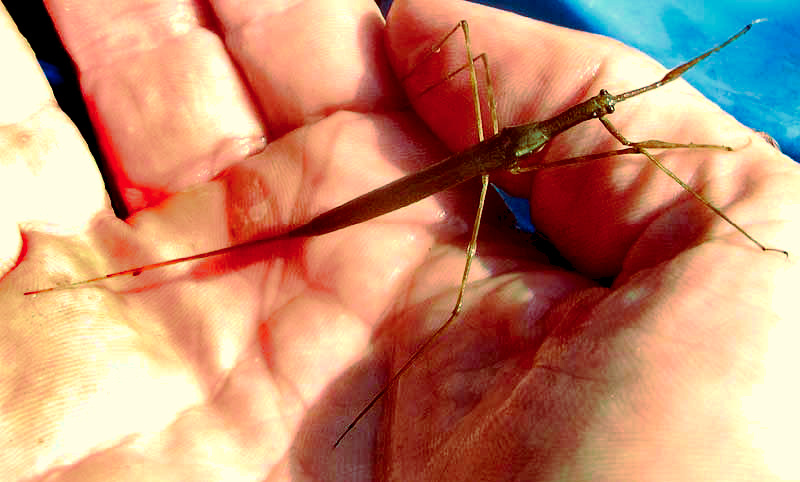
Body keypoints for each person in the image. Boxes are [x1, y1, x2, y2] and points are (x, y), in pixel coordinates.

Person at [1, 0, 797, 480]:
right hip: (417, 182)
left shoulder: (542, 132)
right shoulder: (531, 136)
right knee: (445, 303)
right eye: (608, 106)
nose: (617, 105)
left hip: (454, 171)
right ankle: (84, 286)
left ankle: (88, 286)